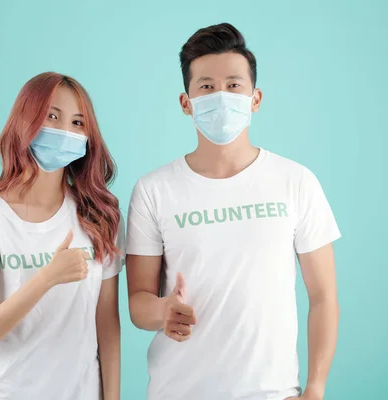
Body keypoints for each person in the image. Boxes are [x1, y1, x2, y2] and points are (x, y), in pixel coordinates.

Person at [125, 23, 341, 400]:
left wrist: (316, 388)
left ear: (255, 98)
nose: (221, 96)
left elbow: (323, 297)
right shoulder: (153, 190)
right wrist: (163, 310)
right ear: (185, 102)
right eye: (206, 86)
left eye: (234, 85)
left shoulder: (296, 182)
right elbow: (138, 303)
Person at [0, 72, 124, 400]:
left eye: (78, 123)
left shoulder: (98, 216)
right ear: (26, 120)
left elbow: (107, 325)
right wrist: (47, 278)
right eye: (52, 116)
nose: (65, 131)